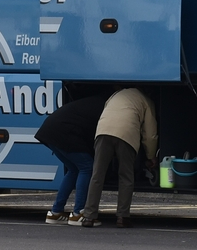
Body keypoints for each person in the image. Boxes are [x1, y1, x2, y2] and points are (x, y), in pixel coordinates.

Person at [80, 87, 157, 228]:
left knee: (97, 175)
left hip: (103, 131)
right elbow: (150, 134)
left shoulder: (116, 94)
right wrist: (151, 156)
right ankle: (122, 217)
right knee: (126, 177)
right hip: (126, 134)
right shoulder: (146, 101)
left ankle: (89, 217)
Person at [34, 93, 107, 226]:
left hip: (49, 130)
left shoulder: (93, 101)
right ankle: (78, 213)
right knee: (87, 167)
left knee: (73, 170)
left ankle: (56, 212)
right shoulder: (105, 108)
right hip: (65, 132)